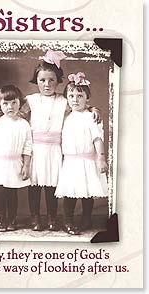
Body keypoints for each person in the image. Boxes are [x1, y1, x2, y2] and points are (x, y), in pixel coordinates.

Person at [0, 50, 101, 232]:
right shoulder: (31, 100)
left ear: (58, 81)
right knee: (34, 185)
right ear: (36, 81)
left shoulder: (64, 100)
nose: (47, 84)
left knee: (52, 185)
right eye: (42, 80)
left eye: (51, 80)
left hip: (54, 149)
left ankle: (51, 217)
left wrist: (94, 108)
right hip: (35, 149)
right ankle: (35, 218)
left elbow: (80, 105)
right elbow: (13, 110)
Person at [55, 72, 108, 235]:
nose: (75, 99)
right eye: (71, 95)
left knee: (87, 193)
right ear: (67, 99)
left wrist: (101, 158)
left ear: (87, 98)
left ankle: (86, 219)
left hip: (87, 160)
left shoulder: (91, 116)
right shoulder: (65, 117)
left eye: (79, 95)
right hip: (70, 162)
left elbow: (97, 138)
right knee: (70, 193)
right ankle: (68, 221)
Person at [0, 84, 32, 232]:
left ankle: (12, 219)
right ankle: (1, 219)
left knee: (12, 193)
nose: (10, 107)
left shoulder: (24, 125)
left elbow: (28, 147)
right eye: (5, 103)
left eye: (14, 103)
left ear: (20, 104)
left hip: (15, 163)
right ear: (0, 105)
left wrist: (26, 165)